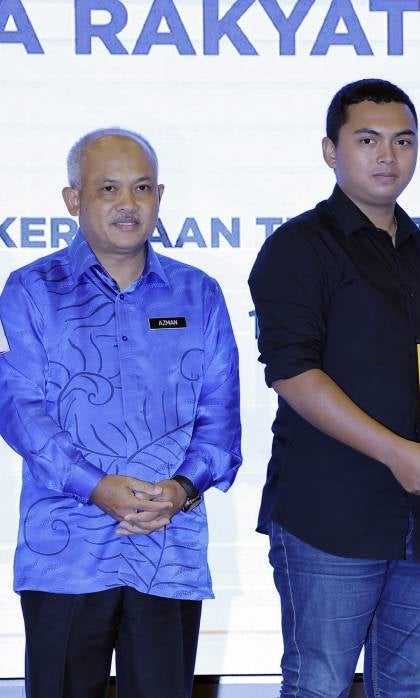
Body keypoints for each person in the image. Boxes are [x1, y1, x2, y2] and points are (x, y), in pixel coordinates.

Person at [0, 128, 242, 697]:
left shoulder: (198, 293)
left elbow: (220, 417)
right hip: (66, 549)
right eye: (108, 188)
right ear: (73, 199)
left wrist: (183, 489)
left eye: (141, 188)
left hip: (168, 544)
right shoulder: (31, 290)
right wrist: (96, 487)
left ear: (160, 197)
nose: (128, 204)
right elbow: (20, 410)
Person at [248, 78, 420, 697]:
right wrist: (397, 452)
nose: (387, 156)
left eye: (403, 141)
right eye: (367, 140)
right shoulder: (296, 248)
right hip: (330, 517)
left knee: (412, 688)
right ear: (330, 150)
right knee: (319, 686)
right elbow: (292, 372)